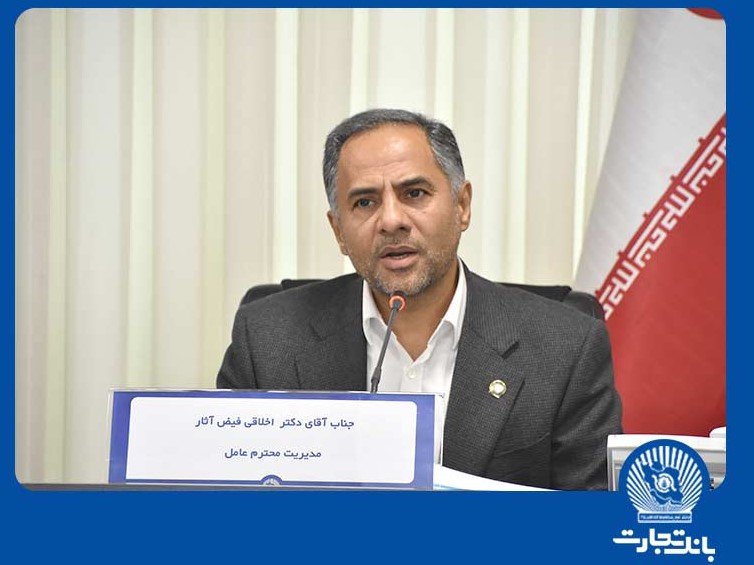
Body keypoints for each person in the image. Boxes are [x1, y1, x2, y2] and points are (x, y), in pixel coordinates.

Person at [217, 108, 622, 490]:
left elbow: (590, 522)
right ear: (338, 230)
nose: (391, 220)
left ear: (462, 206)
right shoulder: (267, 340)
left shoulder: (565, 349)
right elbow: (227, 507)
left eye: (414, 193)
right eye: (364, 202)